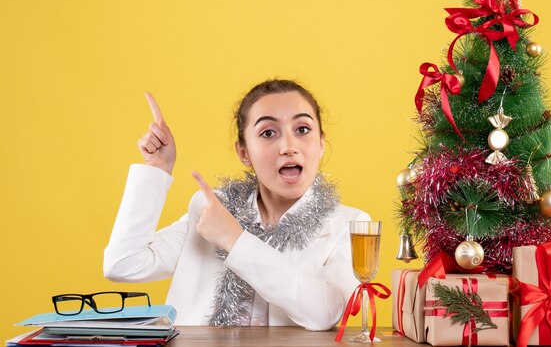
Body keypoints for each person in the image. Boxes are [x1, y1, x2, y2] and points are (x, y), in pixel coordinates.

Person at [103, 79, 370, 330]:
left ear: (321, 144)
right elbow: (124, 264)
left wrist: (236, 240)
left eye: (302, 129)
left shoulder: (350, 225)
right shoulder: (211, 210)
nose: (288, 146)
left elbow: (327, 312)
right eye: (268, 133)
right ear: (244, 152)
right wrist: (157, 170)